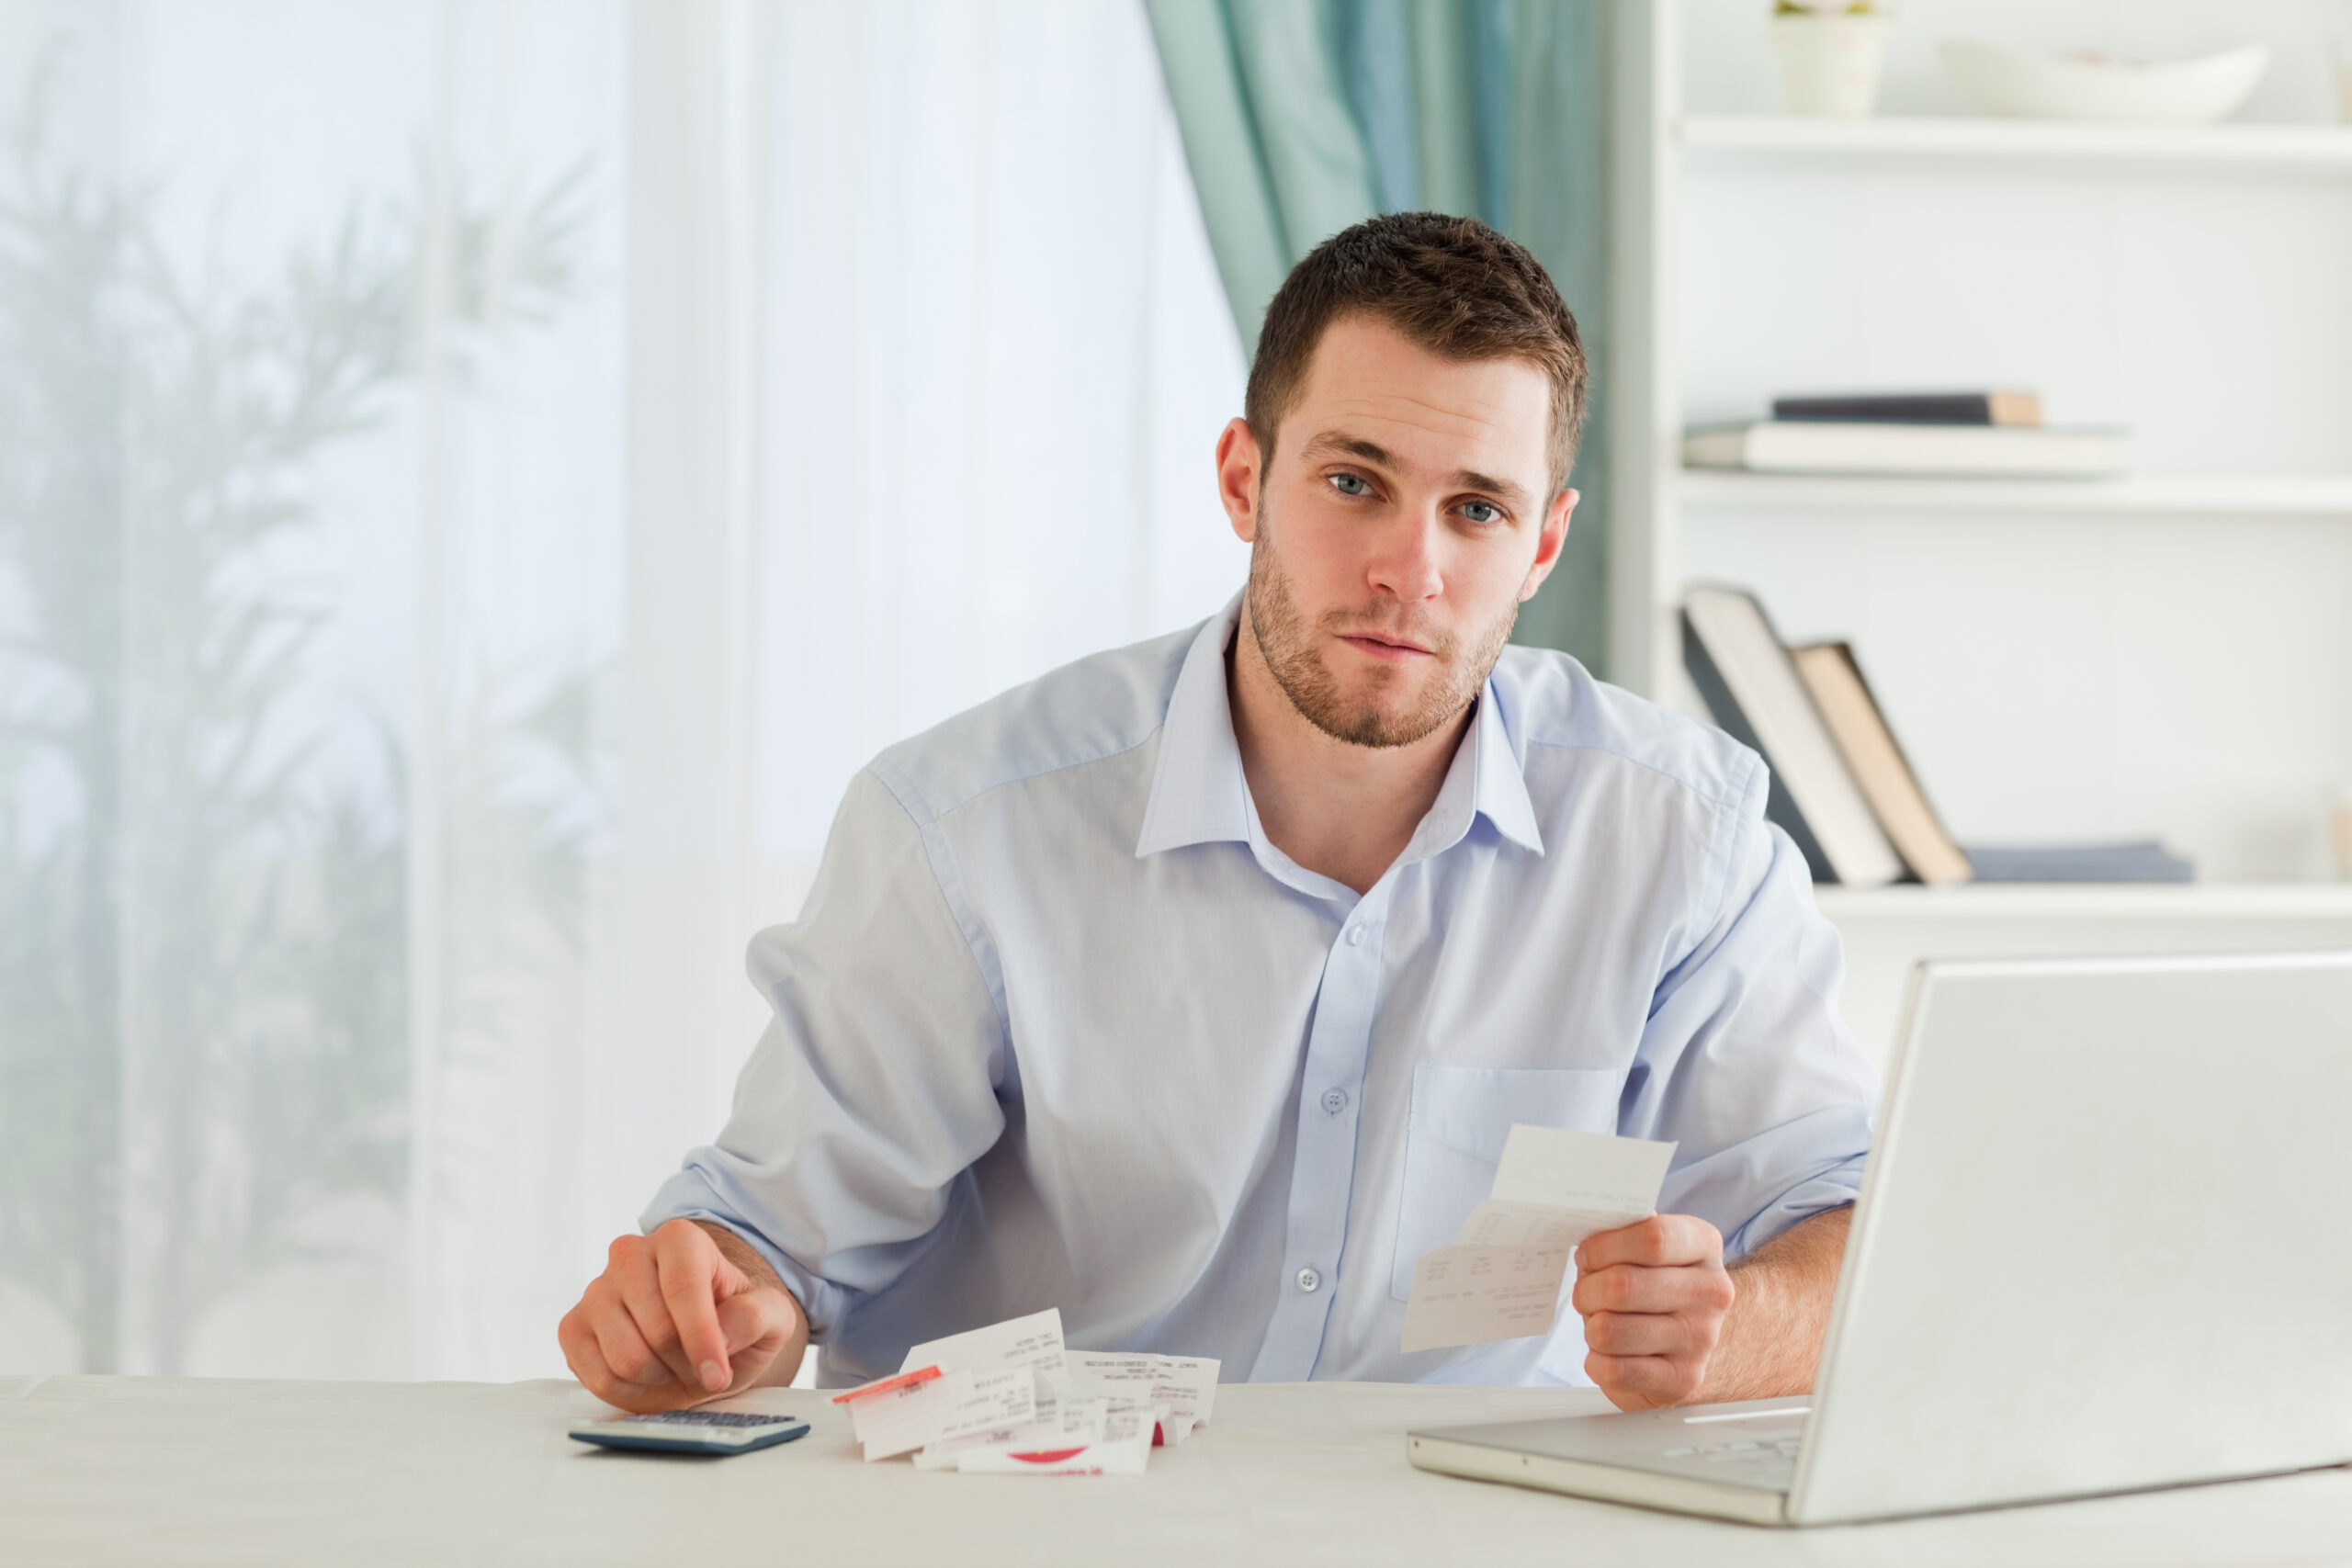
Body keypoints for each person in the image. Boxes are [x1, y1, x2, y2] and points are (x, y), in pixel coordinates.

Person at [559, 212, 1875, 1416]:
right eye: (1354, 481)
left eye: (1475, 510)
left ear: (1540, 547)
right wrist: (716, 1306)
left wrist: (1737, 1327)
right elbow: (777, 1242)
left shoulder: (1681, 841)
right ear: (1245, 480)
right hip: (1031, 1530)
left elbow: (1845, 1215)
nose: (1408, 572)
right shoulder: (968, 829)